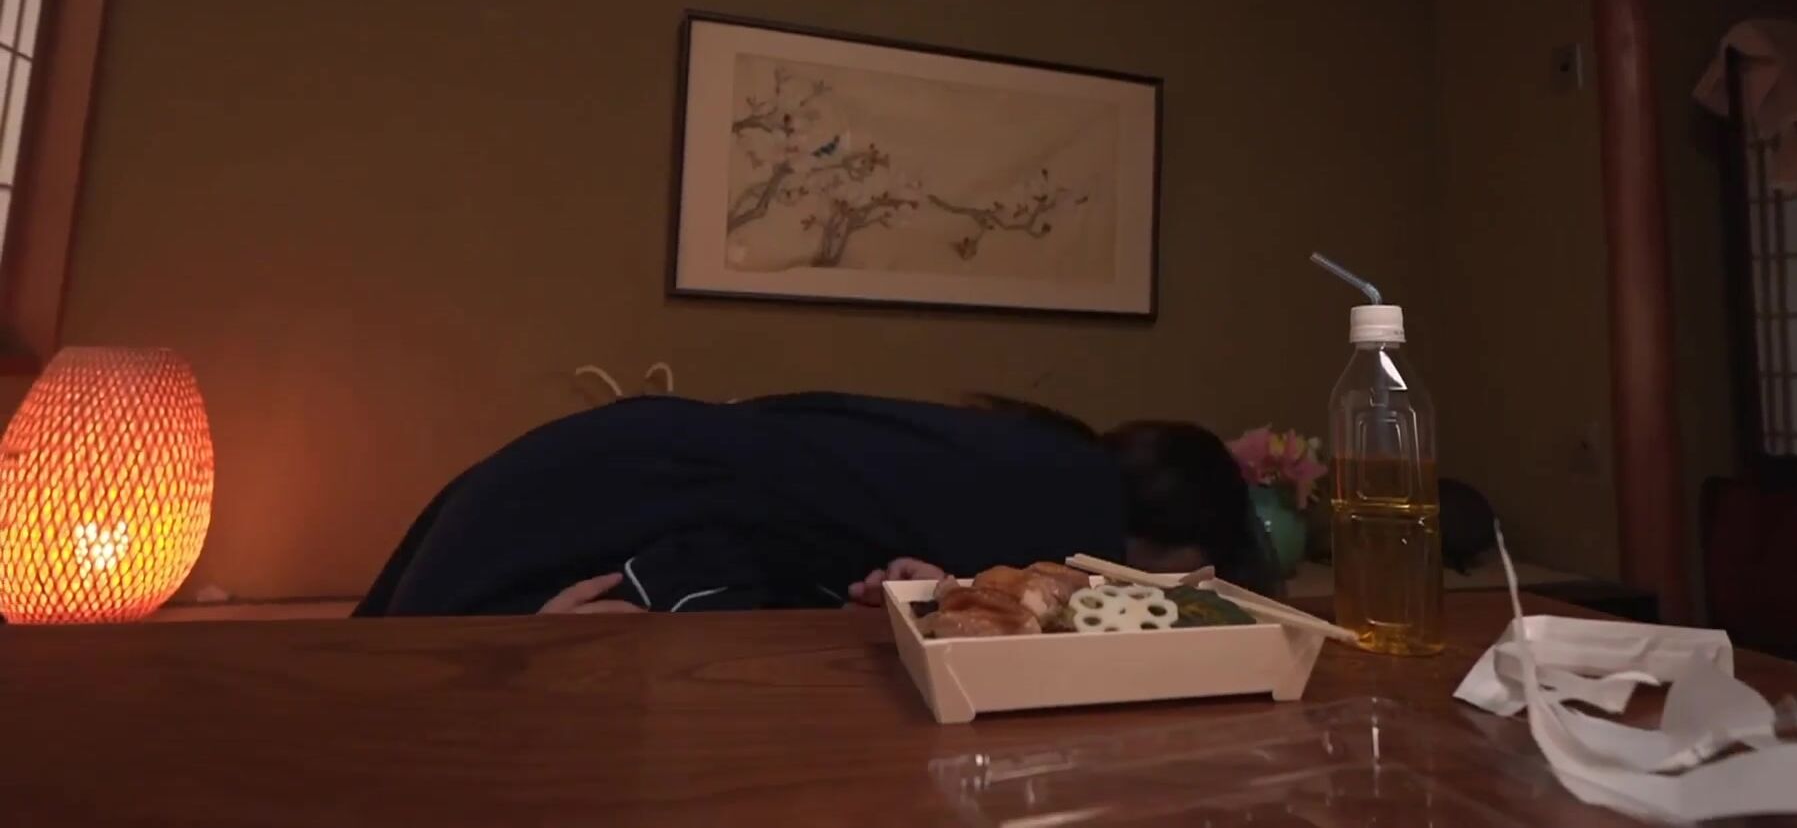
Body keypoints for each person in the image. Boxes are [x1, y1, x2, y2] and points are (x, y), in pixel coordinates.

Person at [354, 391, 1272, 617]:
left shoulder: (1037, 460)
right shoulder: (1068, 506)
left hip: (608, 455)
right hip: (619, 487)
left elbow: (818, 535)